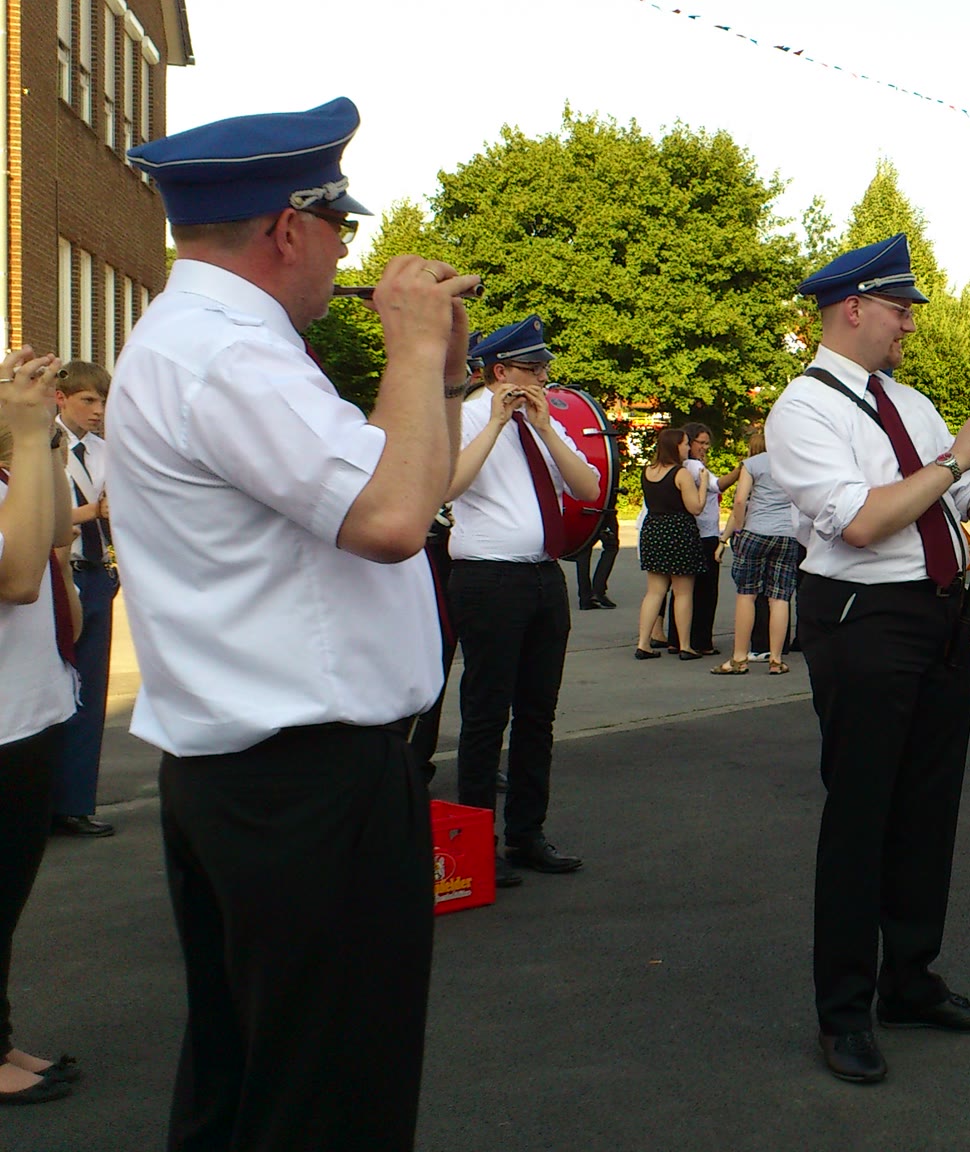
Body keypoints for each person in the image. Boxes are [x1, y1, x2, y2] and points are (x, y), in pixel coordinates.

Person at [113, 99, 472, 1146]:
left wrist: (443, 373)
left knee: (250, 1080)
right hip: (303, 786)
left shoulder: (209, 344)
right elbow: (395, 520)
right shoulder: (231, 356)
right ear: (288, 228)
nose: (345, 255)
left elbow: (406, 480)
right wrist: (408, 352)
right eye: (339, 229)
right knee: (328, 1099)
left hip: (266, 782)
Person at [765, 233, 970, 1084]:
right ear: (853, 308)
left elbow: (955, 499)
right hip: (863, 620)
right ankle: (843, 1011)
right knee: (862, 816)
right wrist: (957, 459)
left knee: (926, 810)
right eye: (899, 309)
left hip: (939, 613)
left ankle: (910, 980)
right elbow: (866, 520)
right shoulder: (803, 409)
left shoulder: (910, 402)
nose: (910, 323)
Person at [446, 314, 601, 885]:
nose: (542, 379)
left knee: (538, 713)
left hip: (541, 576)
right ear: (499, 372)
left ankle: (526, 833)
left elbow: (589, 488)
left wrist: (546, 430)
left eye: (544, 369)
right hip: (487, 578)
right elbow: (447, 484)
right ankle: (475, 841)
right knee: (486, 713)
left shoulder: (544, 421)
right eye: (532, 369)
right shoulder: (464, 416)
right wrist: (494, 423)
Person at [0, 348, 80, 1106]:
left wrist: (46, 438)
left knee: (7, 898)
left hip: (25, 718)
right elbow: (20, 579)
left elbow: (55, 528)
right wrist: (28, 438)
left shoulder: (9, 472)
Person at [50, 362, 117, 838]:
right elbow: (45, 513)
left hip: (96, 573)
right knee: (53, 689)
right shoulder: (42, 444)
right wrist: (95, 509)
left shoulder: (103, 451)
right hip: (58, 573)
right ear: (61, 398)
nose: (97, 411)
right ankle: (41, 802)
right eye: (87, 400)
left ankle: (75, 802)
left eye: (102, 402)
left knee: (90, 693)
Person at [716, 424, 801, 675]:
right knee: (780, 597)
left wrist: (739, 528)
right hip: (787, 534)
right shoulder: (796, 464)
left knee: (747, 594)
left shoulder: (753, 463)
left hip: (756, 531)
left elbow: (740, 499)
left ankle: (739, 658)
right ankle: (776, 659)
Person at [635, 427, 709, 660]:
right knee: (683, 592)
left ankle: (643, 643)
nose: (688, 448)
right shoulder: (681, 473)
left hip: (653, 529)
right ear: (675, 446)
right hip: (678, 531)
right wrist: (703, 484)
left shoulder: (648, 471)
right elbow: (695, 507)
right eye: (685, 443)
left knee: (654, 591)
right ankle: (685, 645)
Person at [675, 424, 732, 657]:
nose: (705, 448)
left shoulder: (680, 467)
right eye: (701, 443)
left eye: (708, 443)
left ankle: (677, 638)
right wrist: (742, 470)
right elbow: (718, 485)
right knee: (705, 591)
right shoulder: (694, 466)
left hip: (689, 533)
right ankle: (701, 640)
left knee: (683, 590)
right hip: (705, 534)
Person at [573, 484, 620, 610]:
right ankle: (598, 591)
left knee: (584, 548)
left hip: (581, 508)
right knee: (611, 547)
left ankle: (584, 597)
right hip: (604, 509)